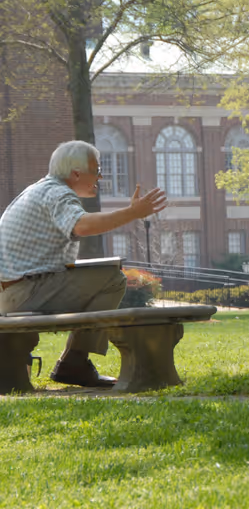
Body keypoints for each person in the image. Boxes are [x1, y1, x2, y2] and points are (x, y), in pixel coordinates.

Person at [0, 140, 167, 387]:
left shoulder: (39, 190)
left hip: (14, 291)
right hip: (22, 292)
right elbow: (82, 225)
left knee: (103, 275)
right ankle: (74, 363)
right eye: (96, 169)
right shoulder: (58, 193)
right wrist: (133, 213)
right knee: (112, 279)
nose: (100, 176)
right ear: (76, 173)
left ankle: (74, 362)